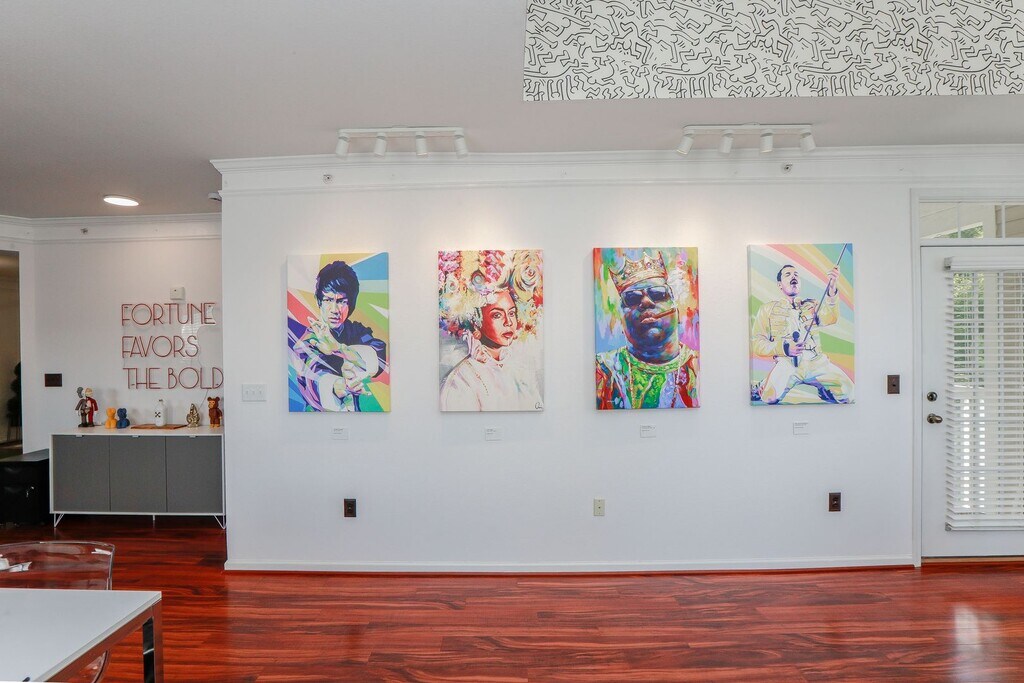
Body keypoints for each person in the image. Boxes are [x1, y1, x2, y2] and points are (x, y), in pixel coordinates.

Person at [595, 251, 699, 409]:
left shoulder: (699, 366)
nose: (646, 302)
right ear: (621, 320)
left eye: (658, 294)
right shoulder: (603, 369)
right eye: (632, 298)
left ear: (676, 311)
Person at [291, 260, 387, 411]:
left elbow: (378, 354)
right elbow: (314, 380)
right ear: (319, 301)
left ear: (351, 304)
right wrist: (344, 386)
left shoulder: (357, 331)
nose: (335, 309)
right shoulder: (307, 343)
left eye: (341, 301)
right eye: (328, 300)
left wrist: (338, 349)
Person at [750, 263, 853, 404]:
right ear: (779, 285)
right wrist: (785, 348)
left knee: (849, 394)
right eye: (788, 274)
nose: (793, 276)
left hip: (817, 362)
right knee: (769, 397)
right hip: (787, 363)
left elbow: (831, 318)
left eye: (796, 275)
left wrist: (832, 286)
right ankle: (763, 385)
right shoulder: (767, 309)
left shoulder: (812, 305)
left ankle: (824, 390)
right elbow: (757, 343)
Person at [440, 286, 543, 411]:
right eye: (497, 315)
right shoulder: (461, 380)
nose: (508, 322)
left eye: (511, 313)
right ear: (475, 323)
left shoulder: (521, 371)